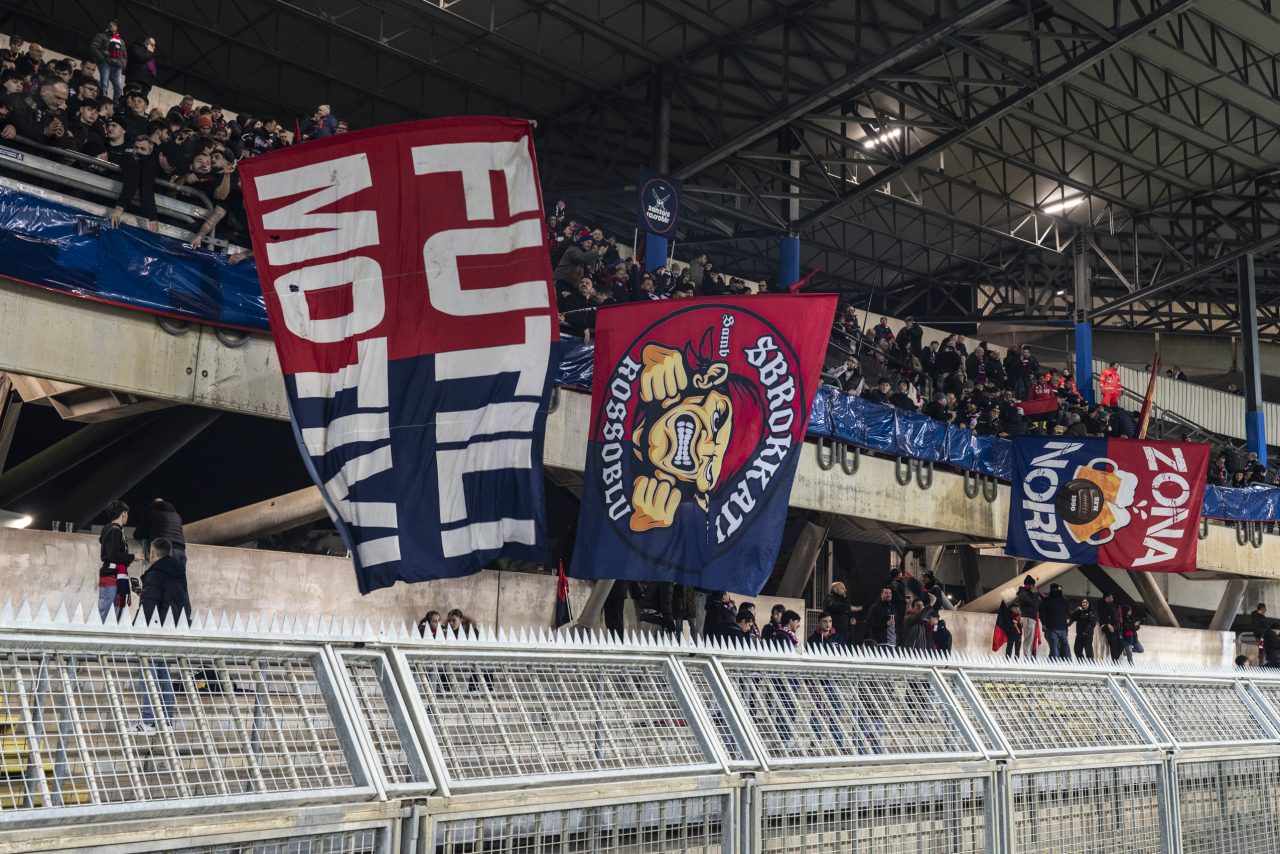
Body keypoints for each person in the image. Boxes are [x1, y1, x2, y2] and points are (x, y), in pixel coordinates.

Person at [98, 499, 139, 622]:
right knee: (107, 614)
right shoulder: (114, 530)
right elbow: (113, 556)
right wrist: (132, 557)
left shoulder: (114, 530)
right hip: (112, 577)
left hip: (114, 576)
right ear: (124, 513)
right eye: (127, 513)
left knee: (112, 614)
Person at [130, 498, 186, 567]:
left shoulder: (152, 514)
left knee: (160, 572)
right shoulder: (177, 516)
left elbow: (138, 534)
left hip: (162, 550)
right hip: (180, 550)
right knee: (178, 573)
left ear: (153, 505)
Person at [90, 20, 126, 101]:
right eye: (110, 24)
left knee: (118, 87)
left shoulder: (121, 41)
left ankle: (116, 104)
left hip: (117, 65)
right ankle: (103, 101)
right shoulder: (101, 36)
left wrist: (122, 64)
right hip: (106, 63)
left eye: (114, 24)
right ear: (107, 26)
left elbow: (124, 55)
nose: (112, 26)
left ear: (117, 27)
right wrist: (102, 59)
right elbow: (94, 47)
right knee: (104, 84)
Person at [1040, 583, 1071, 660]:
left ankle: (1054, 663)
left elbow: (1041, 612)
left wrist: (1044, 623)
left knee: (1054, 648)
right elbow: (1067, 614)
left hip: (1051, 627)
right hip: (1062, 628)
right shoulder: (1064, 601)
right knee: (1065, 646)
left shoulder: (1047, 600)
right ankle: (1068, 662)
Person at [1014, 576, 1043, 658]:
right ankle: (1026, 658)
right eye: (1033, 585)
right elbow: (1030, 602)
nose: (1034, 587)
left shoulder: (1031, 593)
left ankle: (1027, 656)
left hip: (1032, 618)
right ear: (1030, 585)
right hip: (1027, 617)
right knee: (1028, 639)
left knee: (1030, 639)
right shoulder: (1023, 592)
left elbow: (1039, 603)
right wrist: (1034, 594)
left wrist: (1036, 595)